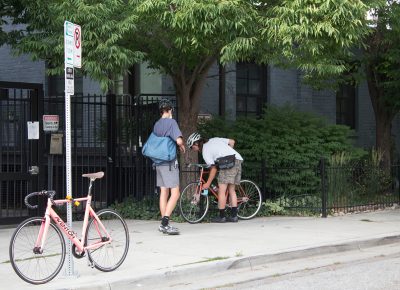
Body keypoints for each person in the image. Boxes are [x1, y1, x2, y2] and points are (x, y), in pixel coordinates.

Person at [187, 132, 243, 223]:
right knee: (232, 190)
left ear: (196, 143)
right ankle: (234, 216)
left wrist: (208, 183)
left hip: (229, 164)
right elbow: (232, 142)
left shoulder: (205, 151)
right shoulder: (214, 139)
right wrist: (228, 154)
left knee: (222, 190)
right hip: (238, 160)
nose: (194, 150)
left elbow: (213, 169)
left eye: (192, 147)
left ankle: (222, 217)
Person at [153, 99, 185, 235]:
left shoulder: (157, 124)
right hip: (169, 163)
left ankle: (164, 222)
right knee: (175, 192)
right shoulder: (171, 122)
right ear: (170, 110)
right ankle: (165, 224)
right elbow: (178, 140)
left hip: (158, 162)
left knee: (164, 192)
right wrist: (181, 143)